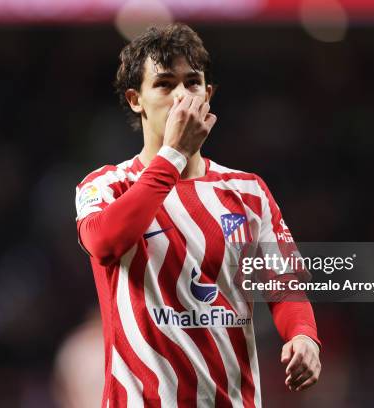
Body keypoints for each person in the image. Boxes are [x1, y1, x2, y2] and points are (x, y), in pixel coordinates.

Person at [75, 23, 321, 407]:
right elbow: (105, 243)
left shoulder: (248, 192)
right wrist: (172, 155)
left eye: (192, 83)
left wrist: (303, 334)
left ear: (208, 94)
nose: (181, 96)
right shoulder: (107, 185)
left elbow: (285, 283)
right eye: (164, 84)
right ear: (135, 99)